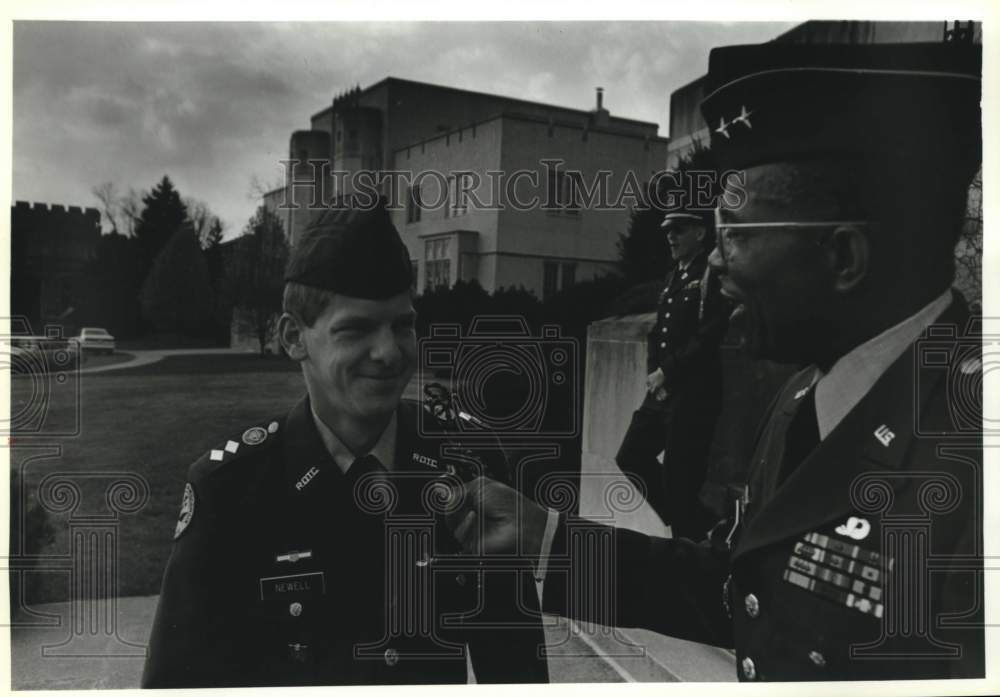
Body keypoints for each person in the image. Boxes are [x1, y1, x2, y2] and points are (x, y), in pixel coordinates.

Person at [448, 40, 984, 681]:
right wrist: (548, 541)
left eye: (736, 233)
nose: (718, 262)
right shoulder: (803, 400)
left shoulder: (974, 449)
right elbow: (739, 589)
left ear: (844, 257)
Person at [142, 204, 549, 687]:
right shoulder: (230, 491)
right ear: (294, 337)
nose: (390, 352)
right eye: (356, 329)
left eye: (402, 325)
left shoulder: (466, 465)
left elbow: (516, 667)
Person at [615, 208, 729, 539]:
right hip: (663, 393)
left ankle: (690, 539)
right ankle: (702, 525)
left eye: (679, 230)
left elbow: (711, 331)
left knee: (680, 479)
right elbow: (656, 332)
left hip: (694, 394)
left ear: (700, 233)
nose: (671, 237)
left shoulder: (710, 274)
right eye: (668, 231)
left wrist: (668, 371)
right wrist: (655, 374)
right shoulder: (676, 276)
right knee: (630, 458)